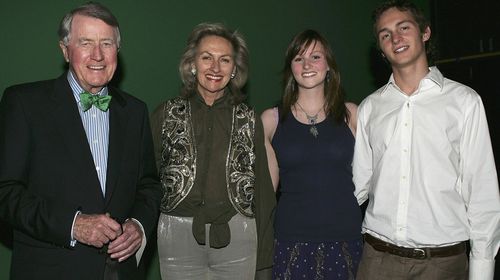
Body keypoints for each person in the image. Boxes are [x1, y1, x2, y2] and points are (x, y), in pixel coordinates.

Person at [0, 2, 161, 279]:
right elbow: (5, 192)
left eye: (107, 43)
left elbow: (148, 185)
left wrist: (138, 225)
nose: (97, 55)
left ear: (117, 51)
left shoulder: (134, 111)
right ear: (65, 50)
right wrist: (73, 225)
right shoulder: (24, 103)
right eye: (85, 42)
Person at [353, 1, 500, 279]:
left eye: (403, 27)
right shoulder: (370, 107)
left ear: (425, 33)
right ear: (381, 50)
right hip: (377, 261)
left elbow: (482, 195)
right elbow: (357, 186)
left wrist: (482, 271)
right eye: (385, 34)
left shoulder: (464, 102)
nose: (395, 38)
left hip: (442, 264)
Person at [150, 22, 276, 280]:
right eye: (207, 57)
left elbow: (263, 193)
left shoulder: (249, 119)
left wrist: (263, 260)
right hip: (176, 236)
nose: (215, 68)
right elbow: (145, 181)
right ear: (192, 64)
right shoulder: (166, 114)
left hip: (237, 236)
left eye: (225, 60)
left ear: (234, 69)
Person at [261, 30, 362, 280]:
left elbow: (372, 179)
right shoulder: (270, 120)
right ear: (290, 68)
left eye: (315, 56)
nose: (307, 64)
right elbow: (266, 192)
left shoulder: (352, 114)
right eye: (298, 58)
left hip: (346, 238)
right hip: (290, 241)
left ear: (329, 65)